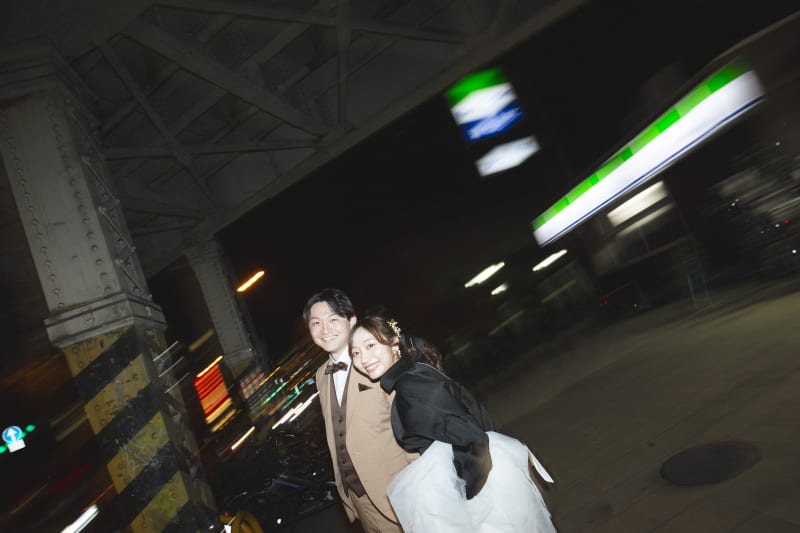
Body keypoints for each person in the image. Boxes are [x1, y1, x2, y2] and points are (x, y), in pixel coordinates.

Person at [350, 314, 557, 533]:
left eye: (370, 345)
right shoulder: (417, 371)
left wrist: (464, 498)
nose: (364, 358)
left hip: (480, 484)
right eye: (356, 353)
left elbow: (471, 439)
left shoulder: (412, 385)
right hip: (487, 474)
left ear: (393, 342)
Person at [303, 289, 414, 533]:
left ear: (351, 320)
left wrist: (422, 487)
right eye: (316, 323)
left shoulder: (375, 358)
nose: (325, 329)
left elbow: (412, 426)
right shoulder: (321, 375)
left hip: (400, 490)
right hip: (359, 502)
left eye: (333, 319)